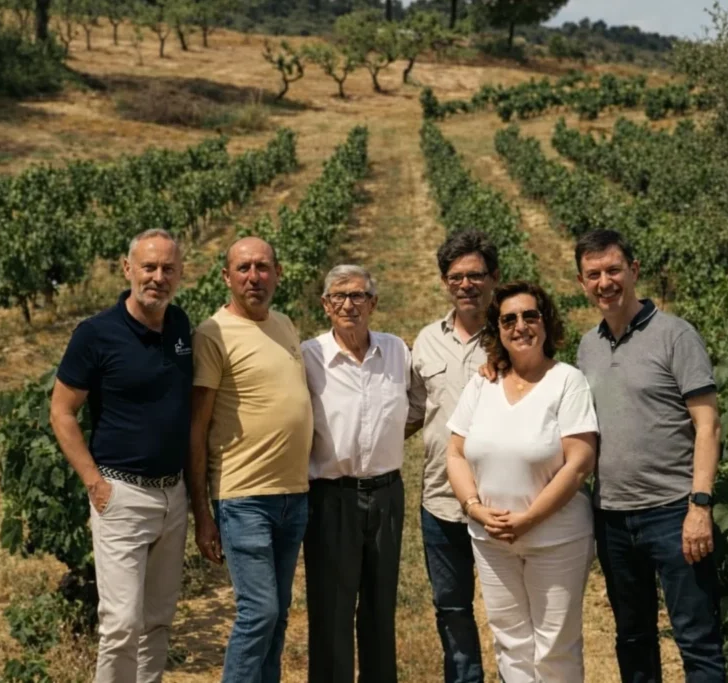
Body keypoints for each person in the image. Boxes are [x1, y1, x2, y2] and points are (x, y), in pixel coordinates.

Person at [574, 229, 725, 682]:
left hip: (674, 513)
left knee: (697, 641)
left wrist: (699, 505)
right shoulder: (587, 347)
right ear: (582, 282)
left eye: (614, 270)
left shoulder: (675, 335)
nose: (605, 282)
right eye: (593, 274)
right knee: (633, 638)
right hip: (613, 518)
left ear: (634, 271)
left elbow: (707, 424)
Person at [50, 228, 192, 683]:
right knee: (120, 624)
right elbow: (62, 412)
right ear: (127, 269)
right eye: (148, 267)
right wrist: (95, 483)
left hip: (173, 495)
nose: (157, 277)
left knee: (157, 621)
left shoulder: (180, 327)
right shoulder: (96, 334)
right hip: (122, 495)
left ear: (180, 274)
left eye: (167, 269)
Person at [446, 280, 598, 682]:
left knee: (555, 648)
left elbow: (579, 463)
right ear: (498, 329)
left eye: (530, 316)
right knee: (510, 642)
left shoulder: (567, 381)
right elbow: (455, 453)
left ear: (546, 322)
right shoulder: (483, 382)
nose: (520, 326)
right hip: (491, 540)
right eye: (508, 319)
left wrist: (529, 519)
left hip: (556, 539)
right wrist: (475, 509)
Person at [188, 236, 313, 683]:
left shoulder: (284, 324)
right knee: (259, 612)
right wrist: (202, 513)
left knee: (277, 619)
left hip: (293, 496)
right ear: (226, 277)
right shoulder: (212, 334)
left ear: (278, 273)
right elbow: (197, 428)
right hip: (243, 498)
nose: (253, 277)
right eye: (242, 268)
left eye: (262, 267)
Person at [301, 265, 413, 683]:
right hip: (332, 496)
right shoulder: (308, 356)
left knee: (380, 606)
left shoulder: (398, 351)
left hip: (387, 493)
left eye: (359, 296)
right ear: (326, 305)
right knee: (331, 608)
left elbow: (416, 407)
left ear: (374, 303)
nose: (349, 304)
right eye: (339, 296)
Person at [408, 230, 497, 683]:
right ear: (445, 282)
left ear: (492, 278)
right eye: (456, 276)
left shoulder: (514, 335)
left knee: (512, 612)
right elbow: (411, 413)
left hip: (505, 503)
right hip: (441, 502)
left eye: (476, 275)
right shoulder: (426, 341)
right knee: (453, 610)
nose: (466, 285)